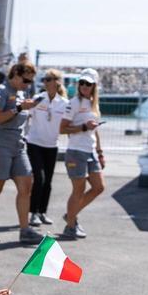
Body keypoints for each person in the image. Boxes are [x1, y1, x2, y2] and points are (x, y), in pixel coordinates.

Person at [0, 64, 40, 243]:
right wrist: (19, 109)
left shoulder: (21, 93)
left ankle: (25, 230)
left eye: (31, 81)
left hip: (18, 146)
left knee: (26, 186)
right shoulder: (1, 91)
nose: (28, 84)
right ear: (15, 75)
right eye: (26, 80)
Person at [59, 68, 105, 239]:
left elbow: (95, 129)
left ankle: (70, 215)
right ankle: (70, 225)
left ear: (94, 86)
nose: (85, 86)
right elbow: (62, 129)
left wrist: (100, 151)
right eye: (82, 83)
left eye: (88, 84)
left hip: (90, 150)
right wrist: (83, 127)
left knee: (99, 187)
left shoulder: (93, 103)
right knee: (78, 190)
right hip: (76, 151)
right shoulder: (74, 103)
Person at [25, 68, 68, 227]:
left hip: (51, 146)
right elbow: (25, 113)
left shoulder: (64, 103)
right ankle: (33, 213)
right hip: (34, 143)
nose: (46, 82)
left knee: (48, 181)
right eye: (45, 79)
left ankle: (42, 212)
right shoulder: (38, 99)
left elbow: (67, 124)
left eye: (49, 79)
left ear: (57, 82)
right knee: (39, 179)